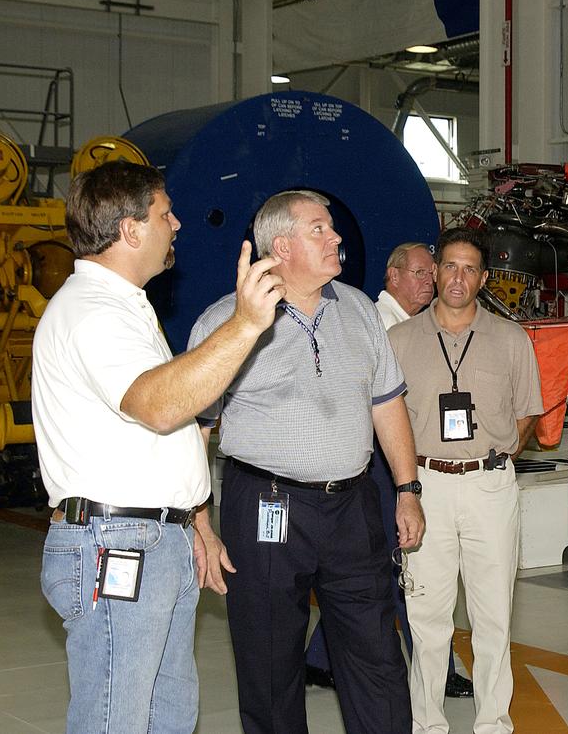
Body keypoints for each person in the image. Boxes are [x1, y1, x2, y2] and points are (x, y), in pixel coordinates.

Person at [35, 161, 285, 734]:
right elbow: (161, 406)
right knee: (116, 719)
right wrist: (245, 325)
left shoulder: (126, 306)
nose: (176, 224)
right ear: (129, 230)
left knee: (167, 715)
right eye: (164, 213)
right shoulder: (92, 312)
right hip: (116, 542)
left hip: (153, 537)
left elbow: (155, 437)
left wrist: (194, 521)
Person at [188, 190, 425, 734]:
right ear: (282, 246)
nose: (336, 237)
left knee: (377, 658)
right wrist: (200, 522)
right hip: (267, 506)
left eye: (332, 228)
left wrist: (408, 489)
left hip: (353, 506)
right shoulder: (225, 323)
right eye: (319, 229)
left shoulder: (361, 311)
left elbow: (387, 405)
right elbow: (194, 432)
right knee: (269, 662)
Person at [387, 227, 543, 734]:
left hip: (489, 487)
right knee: (426, 619)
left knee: (493, 616)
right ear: (434, 273)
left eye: (469, 269)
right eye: (449, 266)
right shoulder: (399, 340)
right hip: (424, 487)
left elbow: (526, 416)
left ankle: (493, 723)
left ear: (484, 278)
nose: (458, 278)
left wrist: (491, 458)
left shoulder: (510, 338)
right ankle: (427, 724)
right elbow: (384, 417)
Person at [306, 241, 475, 699]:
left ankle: (320, 658)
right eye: (419, 273)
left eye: (430, 273)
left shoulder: (419, 326)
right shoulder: (378, 326)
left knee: (379, 567)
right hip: (383, 466)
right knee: (406, 565)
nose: (428, 281)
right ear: (392, 277)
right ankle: (436, 670)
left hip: (399, 464)